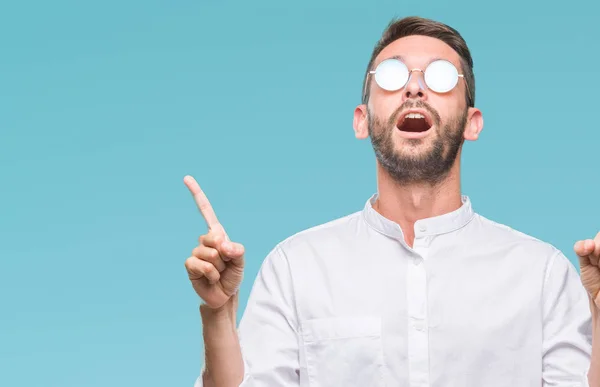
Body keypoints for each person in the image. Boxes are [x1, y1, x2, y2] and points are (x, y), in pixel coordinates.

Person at [183, 16, 600, 387]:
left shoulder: (541, 275)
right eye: (391, 75)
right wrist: (218, 315)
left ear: (472, 123)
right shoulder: (295, 269)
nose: (414, 87)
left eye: (439, 77)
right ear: (361, 120)